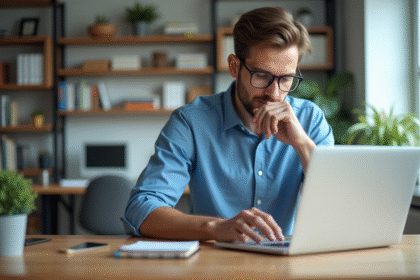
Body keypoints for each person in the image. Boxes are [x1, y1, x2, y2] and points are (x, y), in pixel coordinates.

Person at [123, 6, 334, 243]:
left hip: (288, 265)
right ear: (234, 66)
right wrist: (216, 227)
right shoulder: (191, 122)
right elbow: (140, 210)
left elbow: (337, 209)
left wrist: (302, 144)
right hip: (213, 266)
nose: (275, 94)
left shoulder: (310, 121)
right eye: (262, 76)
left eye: (285, 79)